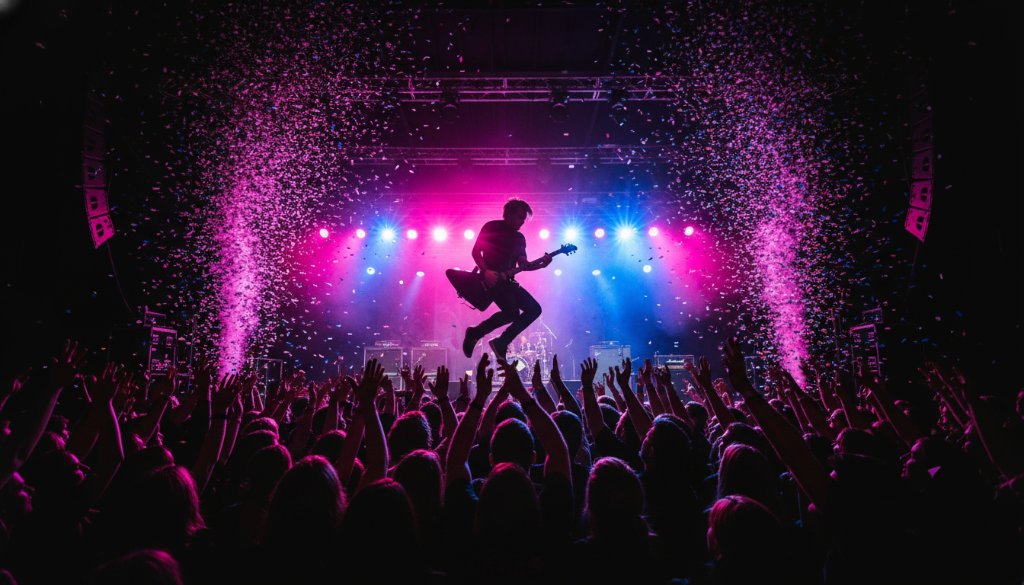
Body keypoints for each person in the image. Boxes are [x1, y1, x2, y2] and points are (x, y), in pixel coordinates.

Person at [462, 198, 553, 362]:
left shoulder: (519, 238)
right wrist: (486, 271)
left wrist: (541, 265)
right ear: (509, 214)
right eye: (520, 217)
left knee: (534, 309)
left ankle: (498, 340)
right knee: (512, 313)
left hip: (508, 281)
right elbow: (475, 252)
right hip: (491, 280)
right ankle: (483, 336)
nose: (522, 222)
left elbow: (523, 264)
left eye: (524, 218)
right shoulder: (491, 227)